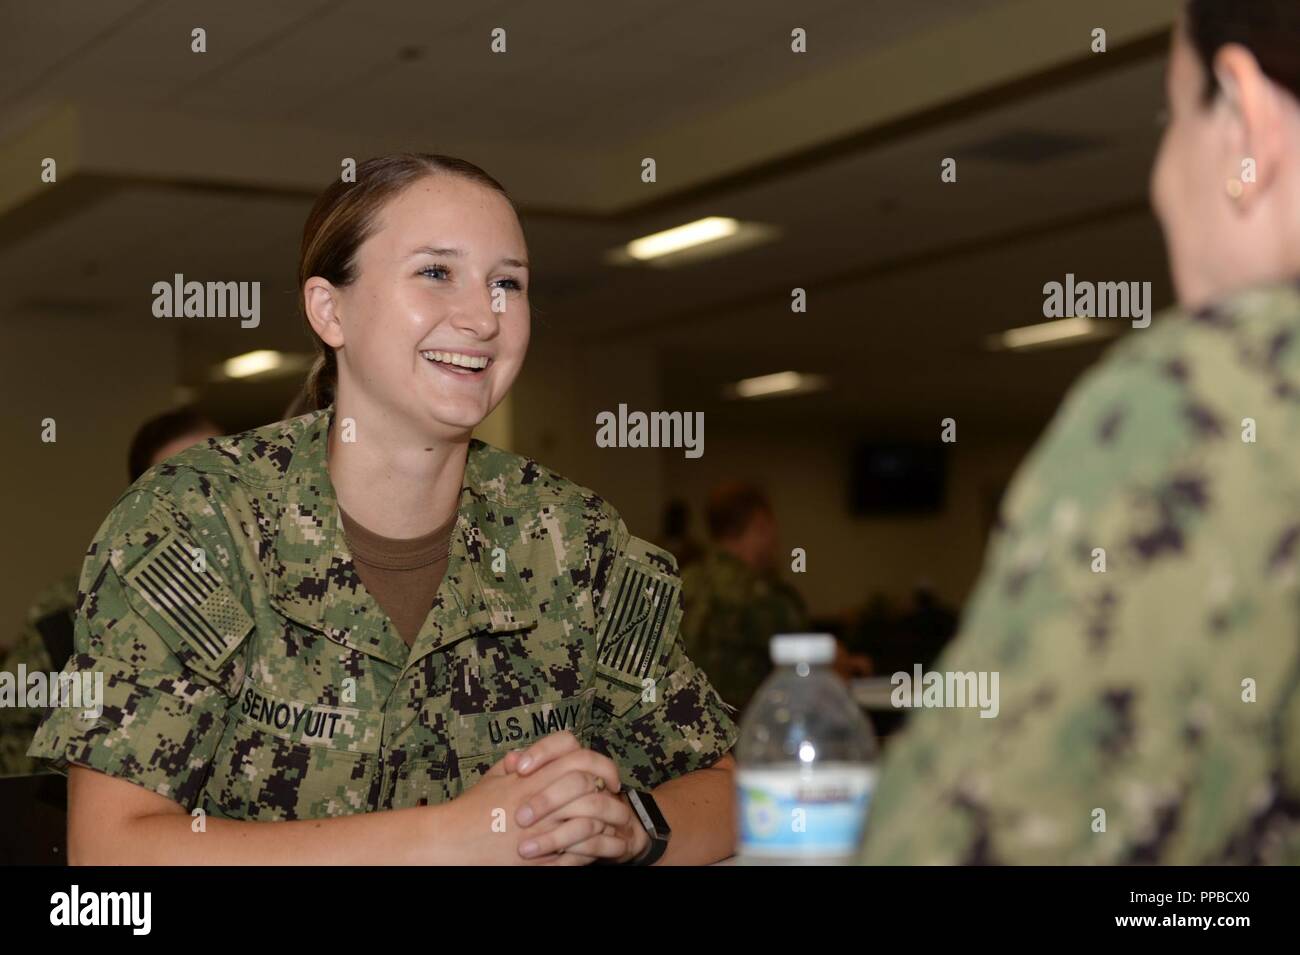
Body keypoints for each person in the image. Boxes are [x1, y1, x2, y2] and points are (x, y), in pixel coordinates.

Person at [28, 153, 737, 865]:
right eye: (436, 272)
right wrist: (454, 836)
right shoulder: (202, 518)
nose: (481, 316)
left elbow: (738, 786)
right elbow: (110, 848)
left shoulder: (573, 540)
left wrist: (632, 826)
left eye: (506, 283)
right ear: (329, 309)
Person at [861, 0, 1300, 865]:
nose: (1157, 179)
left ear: (1243, 115)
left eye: (1173, 115)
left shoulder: (1206, 392)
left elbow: (970, 836)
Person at [0, 408, 220, 776]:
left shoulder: (275, 592)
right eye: (180, 486)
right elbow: (13, 739)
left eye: (217, 479)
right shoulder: (71, 611)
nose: (205, 502)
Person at [680, 482, 811, 714]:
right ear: (760, 524)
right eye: (771, 527)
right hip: (750, 735)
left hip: (684, 735)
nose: (775, 541)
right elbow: (806, 664)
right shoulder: (761, 593)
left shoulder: (681, 580)